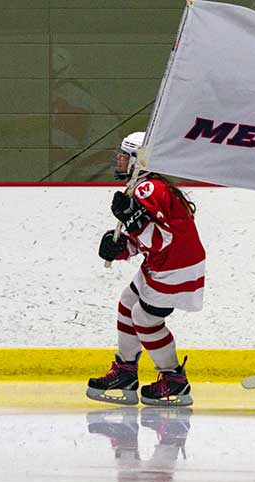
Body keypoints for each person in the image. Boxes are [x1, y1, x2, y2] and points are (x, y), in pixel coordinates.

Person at [87, 131, 205, 407]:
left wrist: (132, 220)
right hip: (165, 263)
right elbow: (147, 241)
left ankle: (175, 381)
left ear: (138, 160)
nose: (119, 160)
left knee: (145, 318)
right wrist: (121, 249)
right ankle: (126, 373)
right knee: (128, 303)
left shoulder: (148, 188)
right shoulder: (145, 185)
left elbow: (160, 239)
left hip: (175, 267)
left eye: (124, 156)